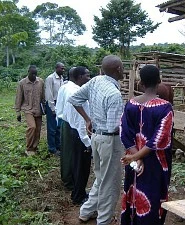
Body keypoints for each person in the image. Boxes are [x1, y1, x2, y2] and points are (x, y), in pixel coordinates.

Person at [68, 55, 124, 224]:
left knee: (101, 179)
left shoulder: (95, 81)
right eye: (122, 67)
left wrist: (88, 119)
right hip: (110, 141)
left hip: (96, 138)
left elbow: (74, 99)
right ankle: (104, 220)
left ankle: (86, 212)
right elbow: (114, 126)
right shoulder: (114, 94)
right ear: (118, 70)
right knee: (111, 183)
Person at [120, 65, 174, 225]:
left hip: (133, 159)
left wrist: (135, 156)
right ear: (159, 81)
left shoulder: (130, 105)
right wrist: (139, 157)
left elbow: (124, 132)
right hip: (155, 163)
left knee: (133, 191)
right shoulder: (165, 108)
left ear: (140, 83)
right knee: (152, 197)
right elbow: (159, 139)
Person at [60, 66, 92, 205]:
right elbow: (81, 122)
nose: (89, 79)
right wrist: (88, 143)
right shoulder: (78, 94)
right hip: (79, 134)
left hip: (70, 128)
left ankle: (76, 190)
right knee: (81, 167)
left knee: (73, 162)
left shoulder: (68, 88)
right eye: (87, 76)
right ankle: (78, 196)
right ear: (79, 77)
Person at [15, 65, 45, 156]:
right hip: (28, 109)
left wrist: (45, 106)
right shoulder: (22, 83)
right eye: (32, 74)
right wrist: (18, 112)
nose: (34, 76)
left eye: (35, 74)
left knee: (38, 129)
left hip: (38, 109)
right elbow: (19, 97)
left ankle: (35, 147)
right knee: (32, 127)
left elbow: (43, 95)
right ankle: (29, 148)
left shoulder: (40, 82)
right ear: (28, 72)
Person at [55, 67, 76, 190]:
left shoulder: (65, 87)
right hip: (69, 123)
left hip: (64, 121)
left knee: (66, 152)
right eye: (86, 75)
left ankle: (67, 178)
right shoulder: (72, 90)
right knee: (69, 152)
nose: (88, 78)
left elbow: (59, 107)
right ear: (76, 76)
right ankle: (69, 181)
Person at [45, 62, 65, 155]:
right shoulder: (50, 78)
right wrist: (52, 108)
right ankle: (52, 148)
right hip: (52, 103)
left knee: (58, 126)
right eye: (61, 68)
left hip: (59, 104)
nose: (63, 70)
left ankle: (58, 145)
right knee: (52, 127)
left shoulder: (62, 79)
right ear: (56, 68)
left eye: (64, 68)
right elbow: (49, 94)